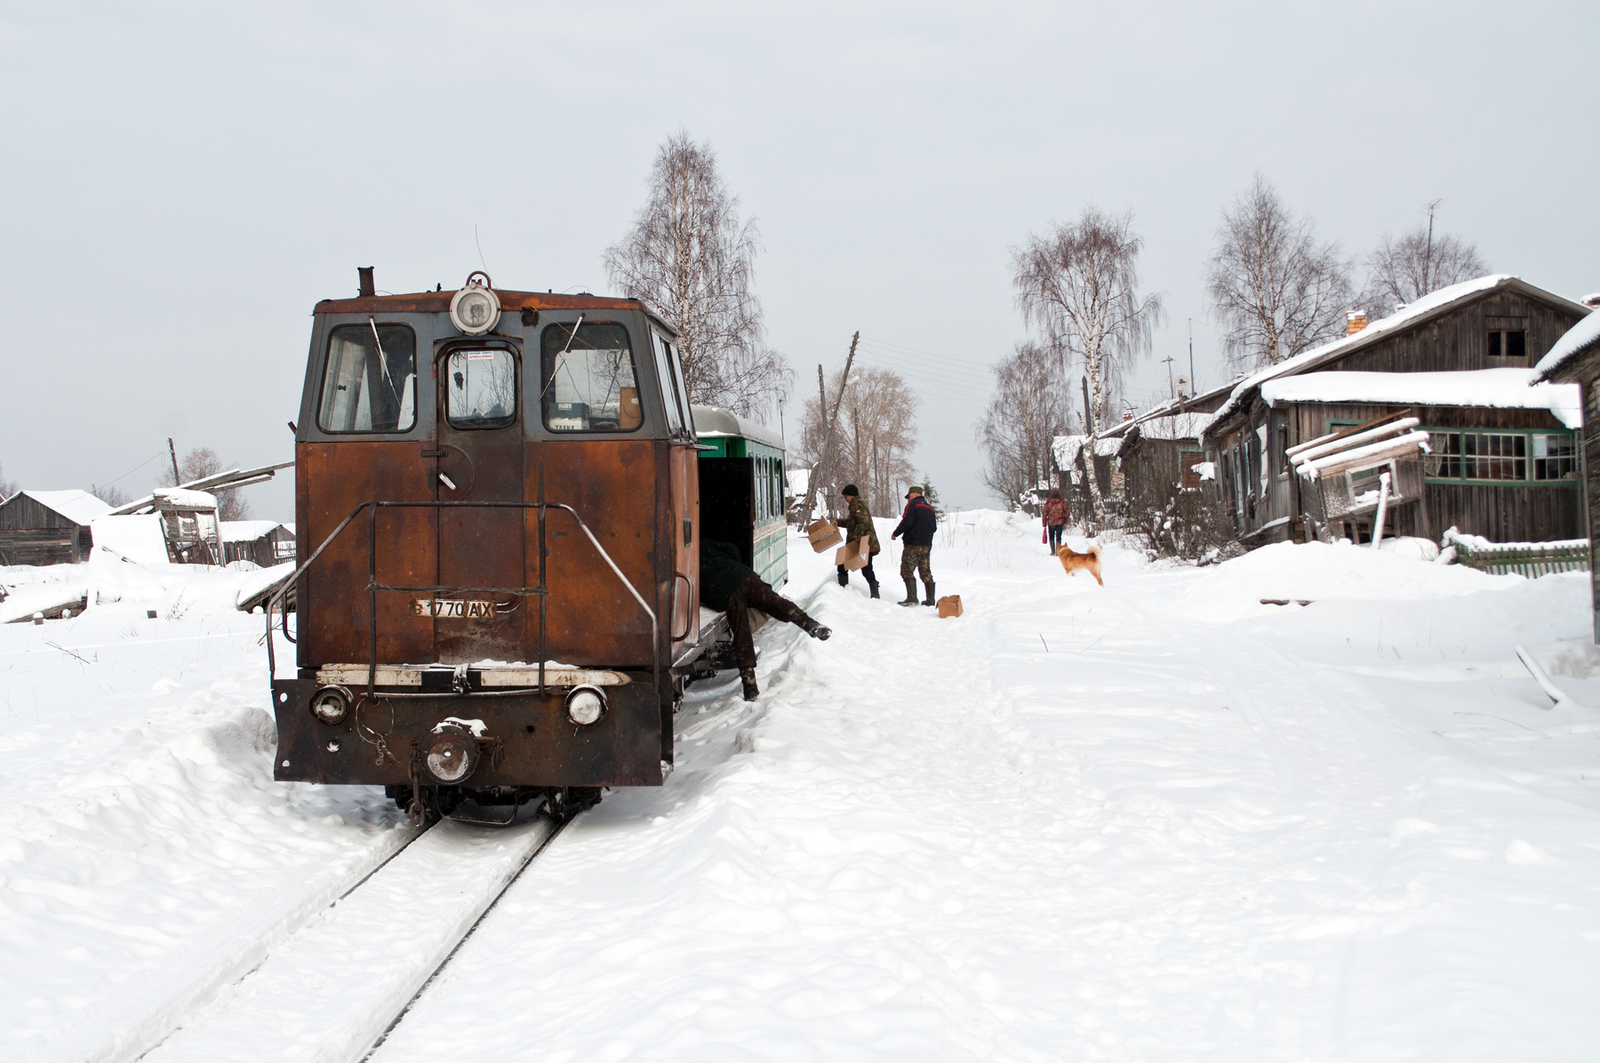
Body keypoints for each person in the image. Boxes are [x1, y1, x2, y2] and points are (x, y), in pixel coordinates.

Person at [700, 539, 830, 701]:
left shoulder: (686, 562)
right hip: (745, 576)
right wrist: (735, 566)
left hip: (727, 593)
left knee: (742, 635)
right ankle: (808, 623)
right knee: (776, 602)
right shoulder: (706, 544)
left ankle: (750, 688)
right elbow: (731, 547)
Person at [890, 484, 937, 607]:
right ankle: (930, 600)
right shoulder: (930, 508)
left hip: (912, 544)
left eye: (909, 496)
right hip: (926, 545)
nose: (908, 499)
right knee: (925, 571)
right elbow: (934, 528)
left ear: (915, 494)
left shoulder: (913, 504)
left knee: (907, 569)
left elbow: (907, 521)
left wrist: (896, 533)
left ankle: (912, 598)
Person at [835, 484, 881, 598]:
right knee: (843, 564)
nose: (845, 499)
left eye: (846, 496)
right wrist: (838, 522)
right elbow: (852, 523)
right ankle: (844, 590)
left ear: (851, 495)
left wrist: (856, 538)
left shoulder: (857, 505)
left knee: (866, 568)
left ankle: (874, 594)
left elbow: (863, 523)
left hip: (863, 543)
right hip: (859, 542)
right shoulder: (855, 505)